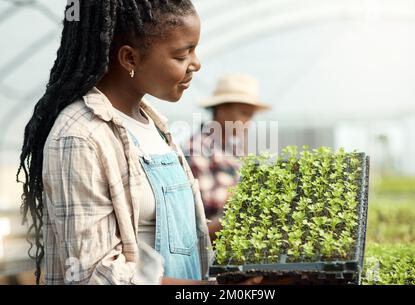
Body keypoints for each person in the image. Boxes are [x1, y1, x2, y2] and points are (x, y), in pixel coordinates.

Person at [17, 0, 262, 286]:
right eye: (182, 55)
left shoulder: (154, 125)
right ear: (130, 58)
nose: (196, 63)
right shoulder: (81, 136)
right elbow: (95, 274)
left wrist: (238, 239)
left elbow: (169, 234)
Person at [183, 74, 271, 242]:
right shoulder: (197, 149)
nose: (248, 122)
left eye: (251, 116)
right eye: (244, 113)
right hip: (207, 242)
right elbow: (206, 211)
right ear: (221, 109)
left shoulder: (234, 149)